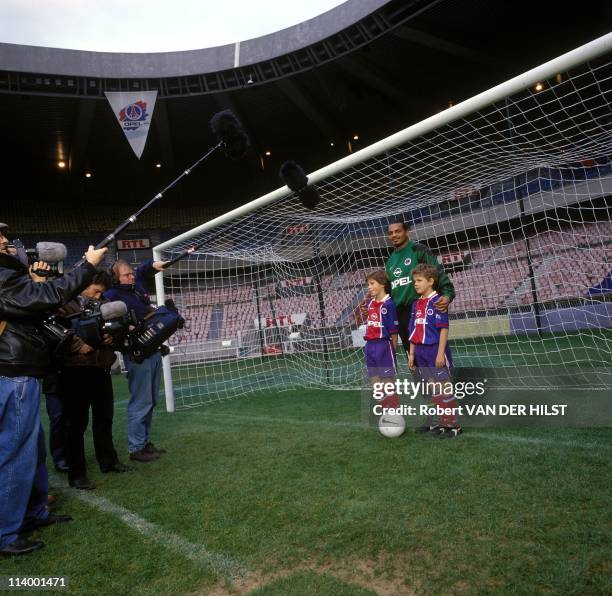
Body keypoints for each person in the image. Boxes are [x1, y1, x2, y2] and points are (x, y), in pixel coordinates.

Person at [0, 222, 106, 556]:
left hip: (22, 370)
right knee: (15, 452)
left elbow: (37, 301)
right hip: (13, 371)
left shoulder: (9, 275)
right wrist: (87, 266)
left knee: (31, 448)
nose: (6, 242)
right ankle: (6, 533)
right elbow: (45, 297)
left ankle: (34, 513)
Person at [57, 270, 134, 490]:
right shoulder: (63, 300)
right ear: (84, 283)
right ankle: (77, 474)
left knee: (104, 419)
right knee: (76, 425)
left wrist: (112, 337)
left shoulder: (106, 304)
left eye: (102, 292)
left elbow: (116, 334)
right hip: (74, 371)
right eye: (96, 290)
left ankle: (108, 462)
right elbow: (54, 330)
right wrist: (77, 345)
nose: (99, 296)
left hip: (100, 368)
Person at [104, 258, 169, 462]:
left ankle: (144, 442)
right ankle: (136, 447)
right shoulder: (111, 295)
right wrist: (126, 328)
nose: (131, 276)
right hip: (137, 353)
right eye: (126, 275)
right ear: (115, 278)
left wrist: (152, 265)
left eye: (131, 273)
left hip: (153, 349)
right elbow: (109, 323)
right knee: (141, 401)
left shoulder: (135, 285)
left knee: (150, 400)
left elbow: (142, 271)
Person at [385, 221, 455, 357]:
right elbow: (388, 290)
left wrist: (447, 295)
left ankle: (441, 377)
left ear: (406, 232)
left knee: (432, 351)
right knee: (411, 355)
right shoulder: (390, 261)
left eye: (398, 231)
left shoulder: (419, 250)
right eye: (390, 233)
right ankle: (419, 379)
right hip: (401, 314)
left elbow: (437, 273)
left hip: (422, 309)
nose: (394, 235)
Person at [408, 264, 461, 438]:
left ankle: (453, 425)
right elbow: (413, 332)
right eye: (414, 281)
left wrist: (440, 354)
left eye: (419, 280)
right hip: (421, 352)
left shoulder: (438, 301)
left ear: (431, 281)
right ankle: (441, 422)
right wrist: (412, 354)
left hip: (435, 349)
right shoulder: (416, 304)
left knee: (444, 387)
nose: (415, 284)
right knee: (433, 388)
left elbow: (444, 329)